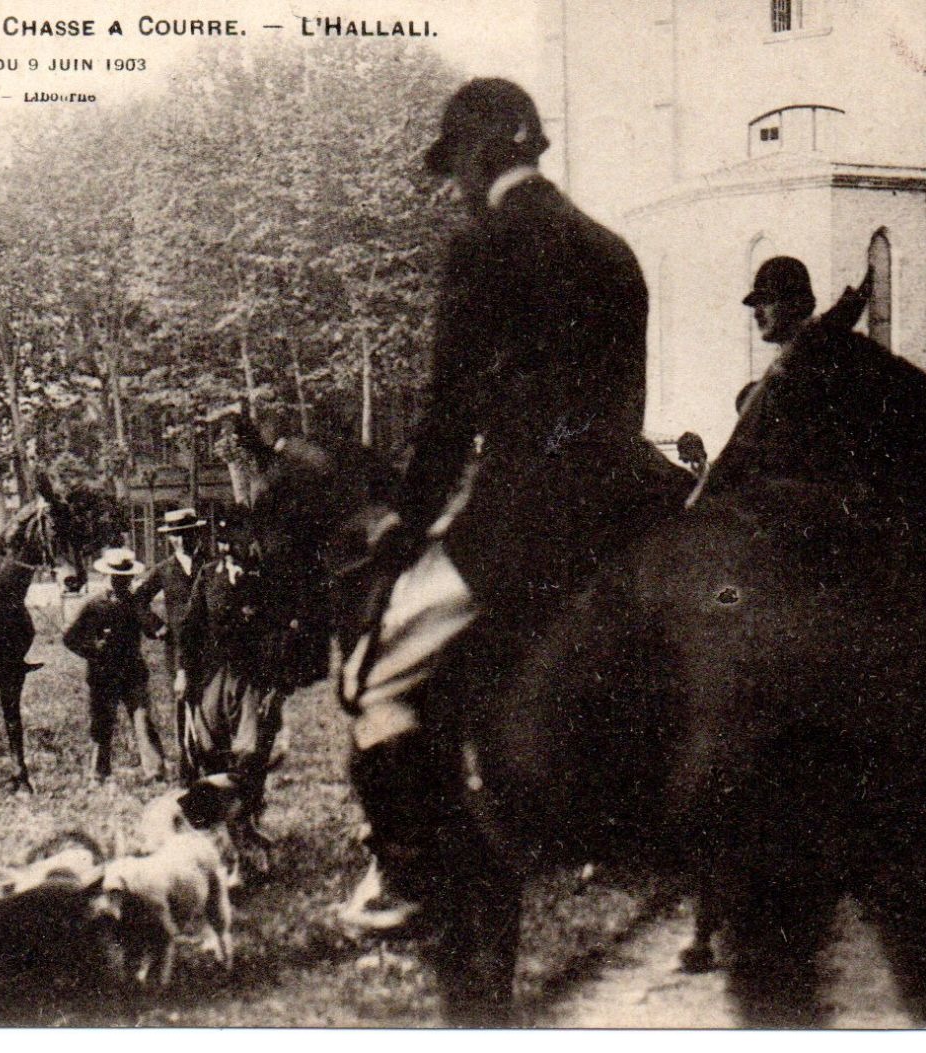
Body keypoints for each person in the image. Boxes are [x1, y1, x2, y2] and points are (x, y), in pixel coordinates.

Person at [338, 79, 675, 930]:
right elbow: (625, 405)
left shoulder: (482, 248)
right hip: (632, 501)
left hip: (527, 516)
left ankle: (408, 869)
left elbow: (450, 418)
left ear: (480, 153)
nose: (453, 182)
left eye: (454, 164)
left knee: (373, 676)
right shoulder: (613, 249)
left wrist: (401, 533)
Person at [693, 256, 926, 582]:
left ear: (799, 303)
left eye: (768, 301)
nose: (757, 313)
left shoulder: (840, 353)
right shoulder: (783, 372)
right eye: (755, 304)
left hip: (837, 531)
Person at [175, 506, 285, 863]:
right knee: (207, 750)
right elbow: (189, 630)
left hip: (252, 678)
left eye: (232, 538)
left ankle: (246, 829)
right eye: (220, 539)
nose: (225, 546)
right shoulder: (209, 576)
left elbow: (280, 633)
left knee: (249, 754)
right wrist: (183, 673)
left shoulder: (265, 578)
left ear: (247, 537)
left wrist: (277, 685)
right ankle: (220, 834)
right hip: (212, 676)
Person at [61, 547, 167, 781]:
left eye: (125, 578)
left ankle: (155, 772)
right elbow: (69, 636)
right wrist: (91, 650)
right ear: (106, 576)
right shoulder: (93, 604)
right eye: (116, 577)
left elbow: (153, 629)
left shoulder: (134, 603)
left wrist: (161, 629)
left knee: (143, 720)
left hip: (133, 671)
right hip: (103, 673)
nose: (121, 582)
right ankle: (98, 773)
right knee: (102, 723)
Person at [134, 507, 206, 759]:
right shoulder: (164, 570)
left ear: (196, 535)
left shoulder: (209, 565)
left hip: (210, 645)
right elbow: (137, 601)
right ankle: (187, 761)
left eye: (185, 533)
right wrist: (157, 626)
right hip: (177, 648)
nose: (180, 540)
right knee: (183, 700)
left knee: (212, 702)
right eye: (175, 535)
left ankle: (214, 757)